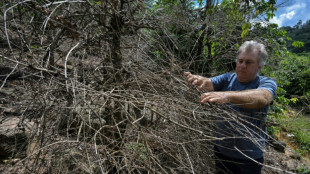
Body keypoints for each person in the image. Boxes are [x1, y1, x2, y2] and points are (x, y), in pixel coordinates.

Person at [184, 40, 277, 174]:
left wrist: (228, 96)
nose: (242, 65)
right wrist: (198, 80)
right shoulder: (228, 78)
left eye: (249, 62)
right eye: (240, 61)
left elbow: (263, 97)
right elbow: (209, 83)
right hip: (221, 151)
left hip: (248, 158)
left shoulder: (266, 82)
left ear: (260, 66)